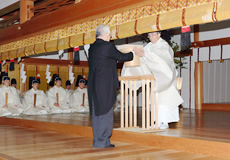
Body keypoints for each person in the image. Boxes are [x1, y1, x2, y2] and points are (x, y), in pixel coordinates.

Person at [88, 24, 144, 148]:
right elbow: (122, 56)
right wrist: (134, 53)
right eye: (109, 34)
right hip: (104, 85)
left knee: (97, 113)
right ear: (104, 34)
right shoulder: (108, 46)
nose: (110, 36)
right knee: (105, 112)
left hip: (94, 85)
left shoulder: (92, 47)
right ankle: (103, 141)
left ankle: (98, 140)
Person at [121, 31, 183, 129]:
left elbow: (161, 58)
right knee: (156, 101)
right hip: (156, 78)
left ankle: (164, 122)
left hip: (165, 78)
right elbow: (144, 58)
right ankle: (157, 121)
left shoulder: (164, 45)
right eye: (149, 35)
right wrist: (137, 55)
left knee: (165, 101)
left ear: (159, 34)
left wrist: (145, 54)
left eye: (153, 34)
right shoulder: (149, 46)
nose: (151, 37)